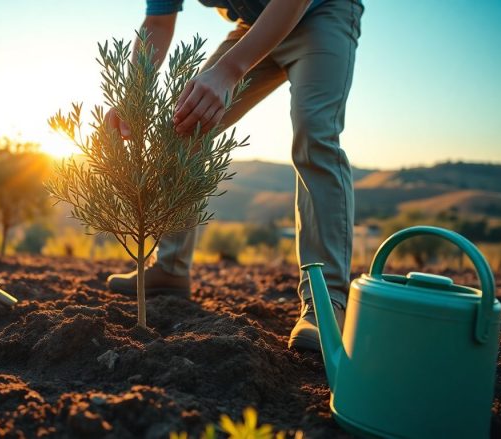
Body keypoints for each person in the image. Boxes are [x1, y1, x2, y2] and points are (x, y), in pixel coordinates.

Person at [106, 0, 363, 352]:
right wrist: (132, 95)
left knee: (314, 135)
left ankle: (326, 301)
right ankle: (170, 267)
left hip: (321, 12)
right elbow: (159, 22)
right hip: (253, 24)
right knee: (185, 124)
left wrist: (228, 72)